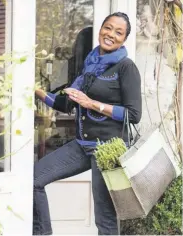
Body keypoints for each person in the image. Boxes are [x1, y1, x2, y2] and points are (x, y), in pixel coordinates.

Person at [33, 12, 142, 235]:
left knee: (105, 220)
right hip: (83, 145)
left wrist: (92, 104)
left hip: (107, 150)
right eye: (108, 28)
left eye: (118, 32)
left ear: (124, 39)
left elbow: (134, 114)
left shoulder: (125, 67)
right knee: (33, 180)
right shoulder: (90, 65)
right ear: (100, 29)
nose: (111, 34)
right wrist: (34, 90)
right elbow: (66, 104)